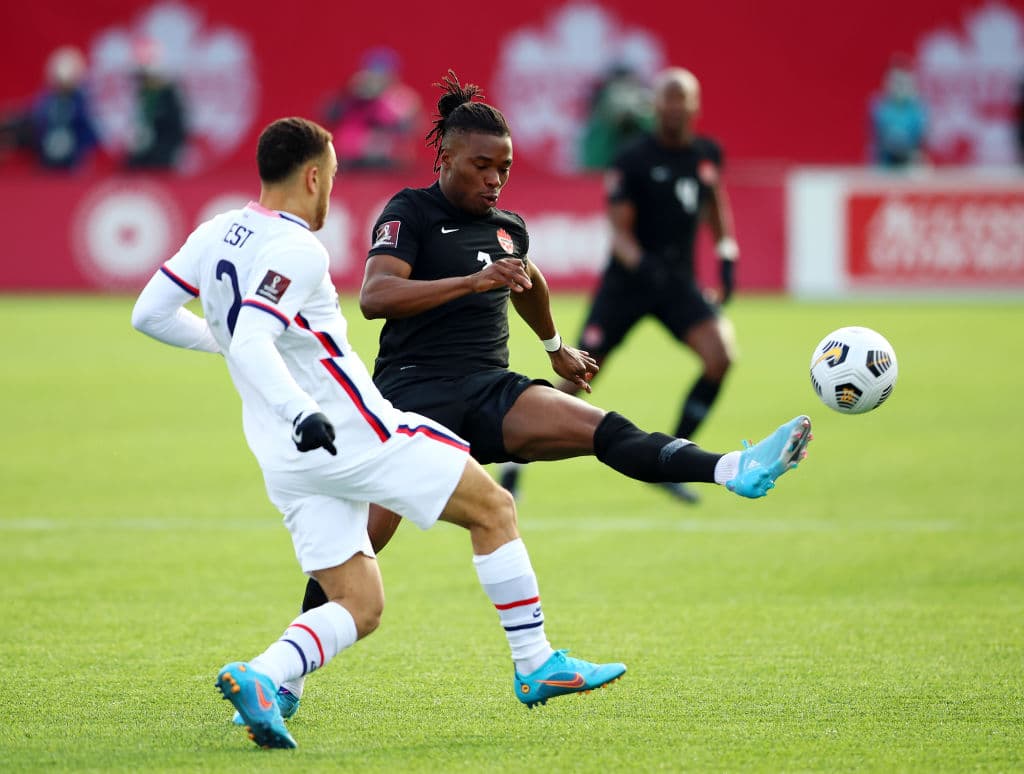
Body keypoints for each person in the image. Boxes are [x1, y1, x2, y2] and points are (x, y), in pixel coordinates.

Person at [287, 73, 813, 722]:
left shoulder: (508, 226)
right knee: (357, 548)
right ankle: (286, 678)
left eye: (503, 168)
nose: (493, 180)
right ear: (444, 157)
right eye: (480, 165)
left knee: (604, 429)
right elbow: (375, 297)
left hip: (490, 392)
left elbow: (527, 281)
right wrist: (472, 282)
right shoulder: (409, 213)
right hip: (409, 404)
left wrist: (555, 346)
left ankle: (733, 469)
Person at [131, 116, 627, 750]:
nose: (332, 189)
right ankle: (536, 663)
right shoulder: (300, 248)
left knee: (359, 603)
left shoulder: (214, 233)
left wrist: (230, 350)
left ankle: (265, 677)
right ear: (313, 176)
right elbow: (254, 336)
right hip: (350, 432)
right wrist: (294, 404)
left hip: (283, 459)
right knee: (493, 507)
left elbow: (151, 314)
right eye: (333, 176)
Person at [504, 67, 741, 504]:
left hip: (676, 285)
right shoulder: (632, 158)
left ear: (694, 107)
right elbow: (620, 233)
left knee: (720, 357)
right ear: (656, 106)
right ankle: (513, 464)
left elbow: (714, 205)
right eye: (666, 100)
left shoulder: (706, 155)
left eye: (681, 100)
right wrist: (646, 266)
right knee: (580, 375)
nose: (673, 108)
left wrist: (727, 255)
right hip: (628, 287)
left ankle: (675, 456)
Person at [323, 46, 422, 170]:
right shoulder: (354, 93)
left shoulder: (402, 98)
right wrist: (348, 95)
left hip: (387, 153)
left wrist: (387, 108)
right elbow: (329, 115)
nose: (377, 80)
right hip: (352, 153)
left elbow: (412, 128)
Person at [29, 46, 99, 170]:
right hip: (49, 148)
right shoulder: (47, 99)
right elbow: (38, 120)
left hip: (73, 151)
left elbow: (88, 128)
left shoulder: (81, 100)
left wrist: (81, 147)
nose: (63, 85)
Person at [124, 38, 187, 170]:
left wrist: (163, 150)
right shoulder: (143, 94)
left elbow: (178, 129)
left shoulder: (169, 95)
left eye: (144, 75)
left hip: (162, 159)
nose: (141, 80)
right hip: (141, 156)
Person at [868, 57, 928, 168]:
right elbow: (885, 141)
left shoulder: (918, 110)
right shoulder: (880, 107)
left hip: (910, 167)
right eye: (896, 82)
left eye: (903, 82)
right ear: (887, 83)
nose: (899, 87)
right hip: (884, 167)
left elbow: (921, 142)